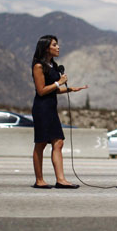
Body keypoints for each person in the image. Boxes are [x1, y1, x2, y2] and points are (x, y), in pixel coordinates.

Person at [31, 35, 88, 189]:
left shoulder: (53, 66)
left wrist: (69, 89)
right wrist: (59, 82)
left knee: (59, 142)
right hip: (41, 108)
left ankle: (61, 180)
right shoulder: (38, 66)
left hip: (51, 107)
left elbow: (53, 90)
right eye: (55, 45)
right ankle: (39, 180)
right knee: (41, 143)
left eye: (57, 45)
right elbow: (42, 91)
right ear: (46, 48)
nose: (58, 47)